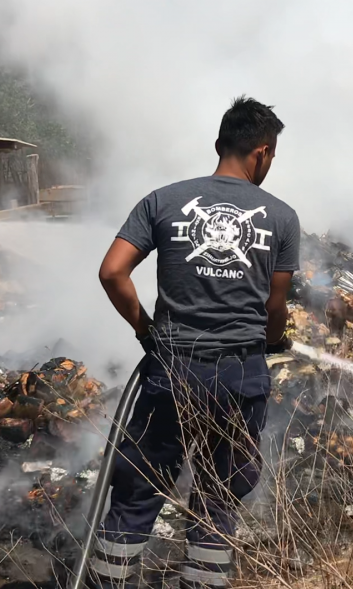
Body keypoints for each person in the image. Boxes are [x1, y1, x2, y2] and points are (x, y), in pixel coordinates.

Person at [92, 96, 299, 589]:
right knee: (219, 497)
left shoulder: (162, 200)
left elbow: (112, 272)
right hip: (240, 375)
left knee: (139, 491)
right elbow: (275, 308)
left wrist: (147, 331)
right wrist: (273, 343)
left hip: (172, 369)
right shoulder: (282, 217)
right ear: (264, 152)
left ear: (218, 145)